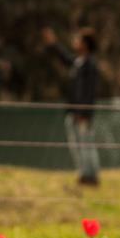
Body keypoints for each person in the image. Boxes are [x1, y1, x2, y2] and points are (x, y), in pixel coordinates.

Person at [43, 26, 101, 186]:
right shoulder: (79, 62)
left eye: (79, 40)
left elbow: (89, 92)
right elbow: (65, 59)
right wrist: (53, 44)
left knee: (86, 144)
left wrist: (83, 112)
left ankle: (91, 176)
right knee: (77, 144)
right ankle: (84, 174)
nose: (75, 42)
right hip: (73, 112)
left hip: (82, 114)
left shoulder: (90, 65)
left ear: (86, 44)